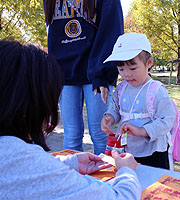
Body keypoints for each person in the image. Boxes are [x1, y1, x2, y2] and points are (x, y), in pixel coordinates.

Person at [0, 40, 141, 199]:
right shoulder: (18, 157)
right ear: (33, 104)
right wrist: (127, 171)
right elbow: (121, 197)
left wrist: (68, 164)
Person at [43, 0, 124, 155]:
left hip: (95, 71)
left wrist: (102, 74)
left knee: (100, 133)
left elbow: (111, 32)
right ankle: (74, 177)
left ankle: (105, 177)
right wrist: (53, 74)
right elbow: (53, 36)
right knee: (71, 135)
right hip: (64, 73)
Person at [101, 33, 175, 169]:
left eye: (133, 68)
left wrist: (142, 130)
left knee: (155, 185)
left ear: (149, 63)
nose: (126, 74)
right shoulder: (121, 88)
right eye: (121, 69)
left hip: (154, 151)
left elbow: (167, 120)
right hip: (128, 150)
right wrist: (109, 118)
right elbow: (115, 109)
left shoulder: (156, 90)